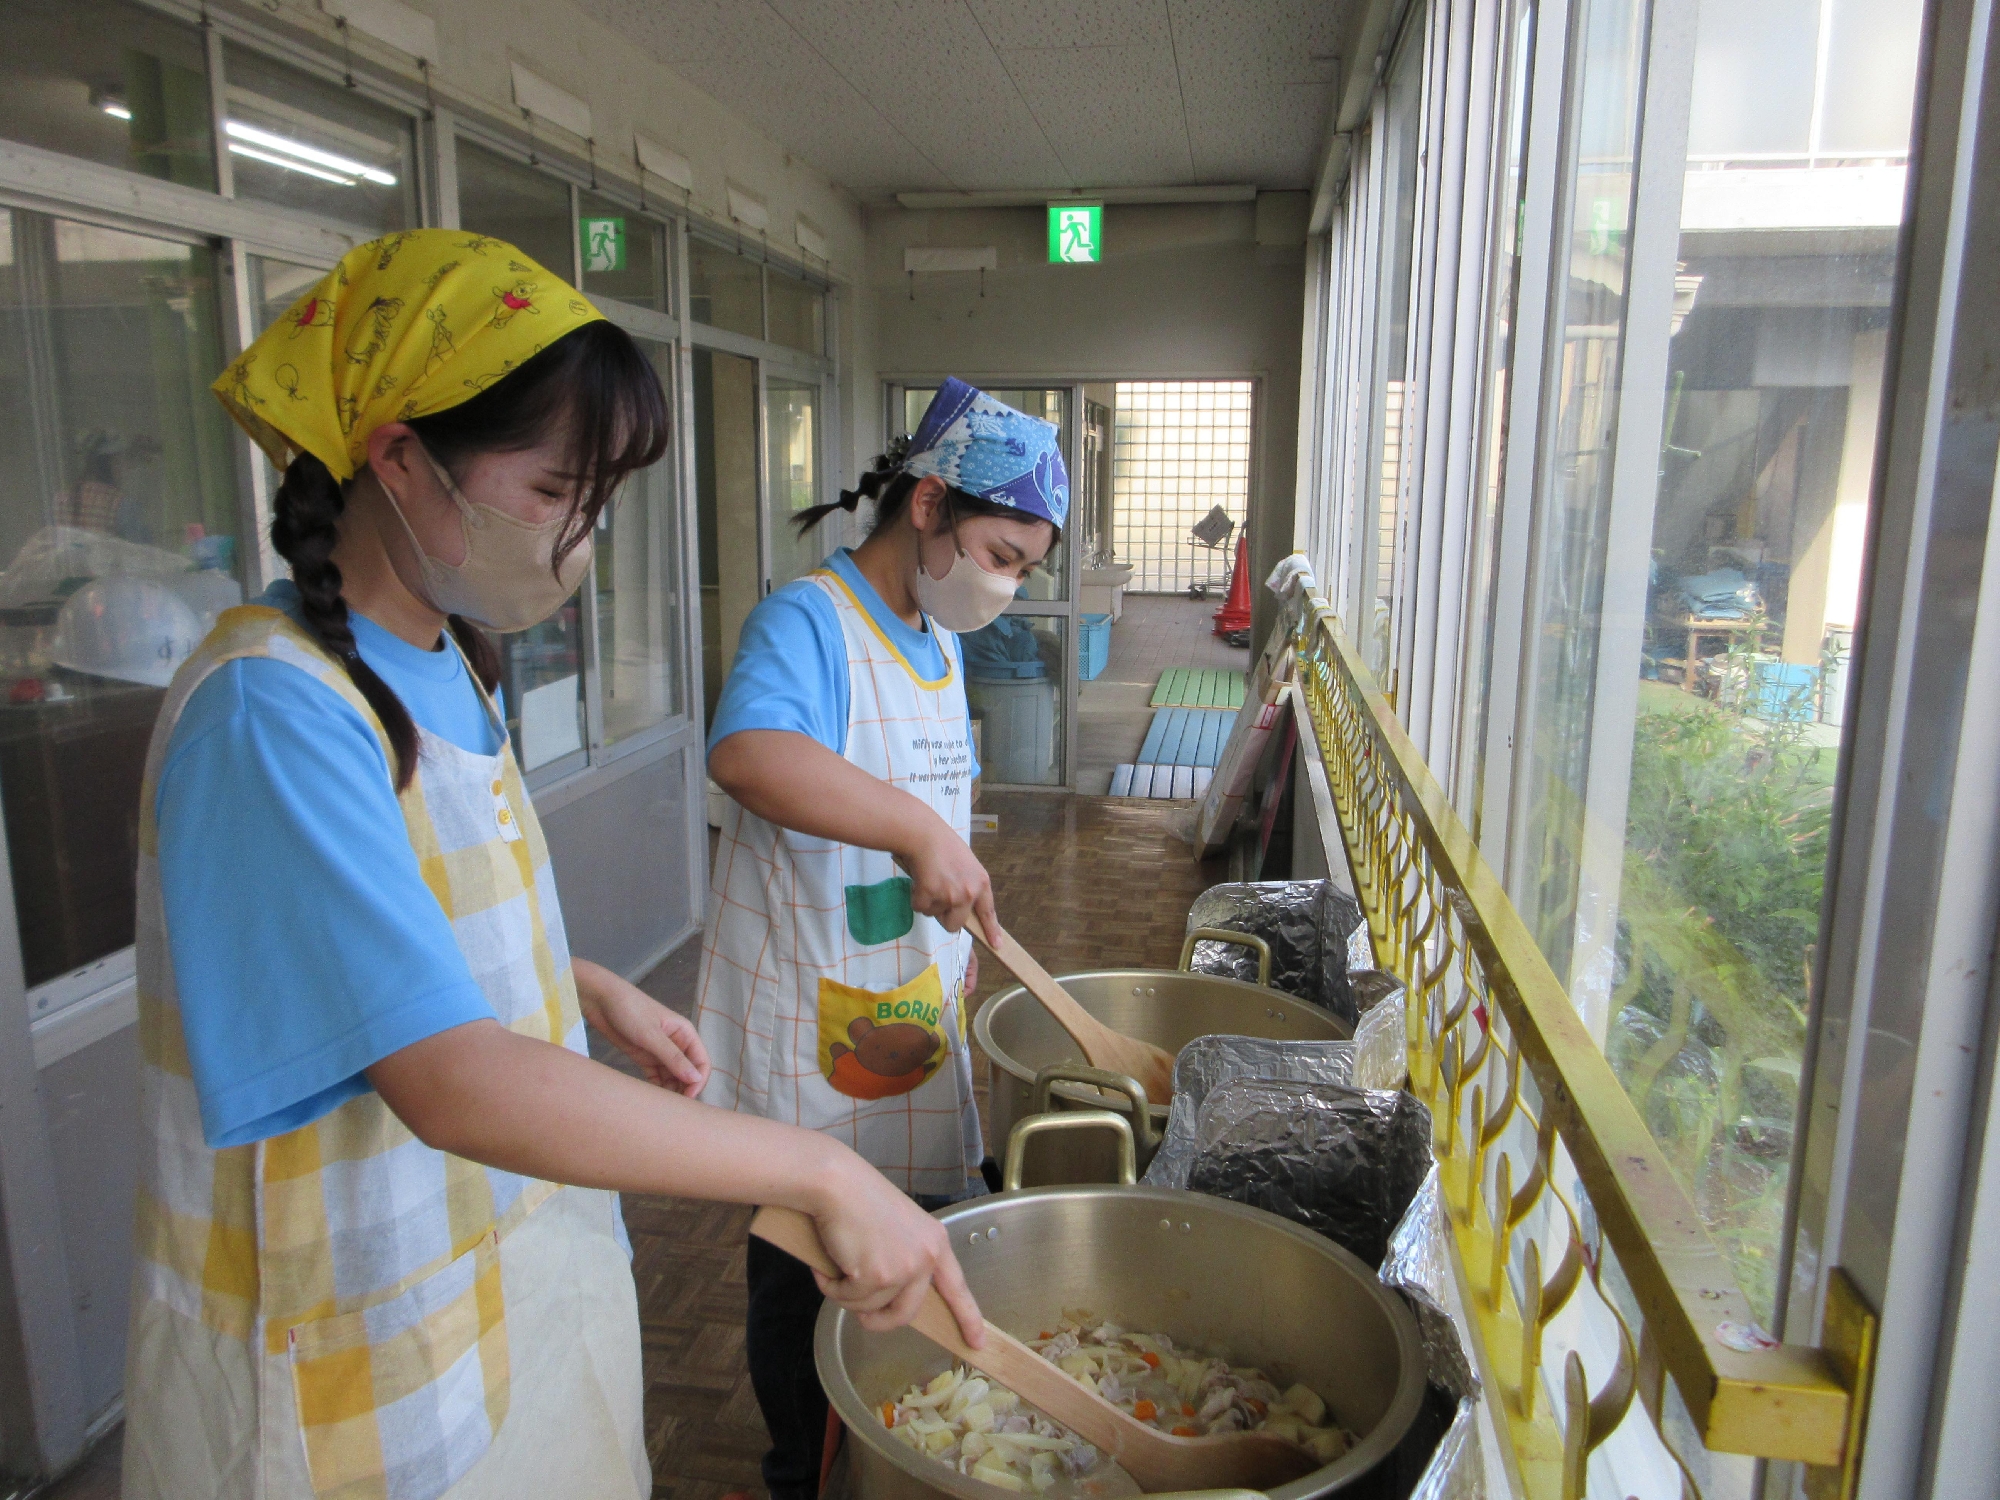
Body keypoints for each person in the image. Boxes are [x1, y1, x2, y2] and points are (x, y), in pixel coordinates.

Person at [123, 230, 982, 1500]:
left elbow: (381, 945)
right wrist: (812, 1162)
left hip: (497, 1268)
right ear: (400, 460)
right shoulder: (273, 708)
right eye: (550, 491)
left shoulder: (449, 663)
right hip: (344, 1321)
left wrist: (569, 981)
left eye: (602, 496)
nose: (582, 538)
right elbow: (449, 1078)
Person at [693, 379, 1066, 1500]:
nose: (1004, 584)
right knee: (808, 1282)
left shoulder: (934, 637)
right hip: (814, 1031)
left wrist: (947, 862)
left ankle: (883, 1454)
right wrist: (911, 830)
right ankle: (801, 1477)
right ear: (928, 505)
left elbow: (916, 791)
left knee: (894, 1283)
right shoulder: (809, 620)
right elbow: (749, 753)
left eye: (1022, 568)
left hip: (900, 1010)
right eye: (999, 552)